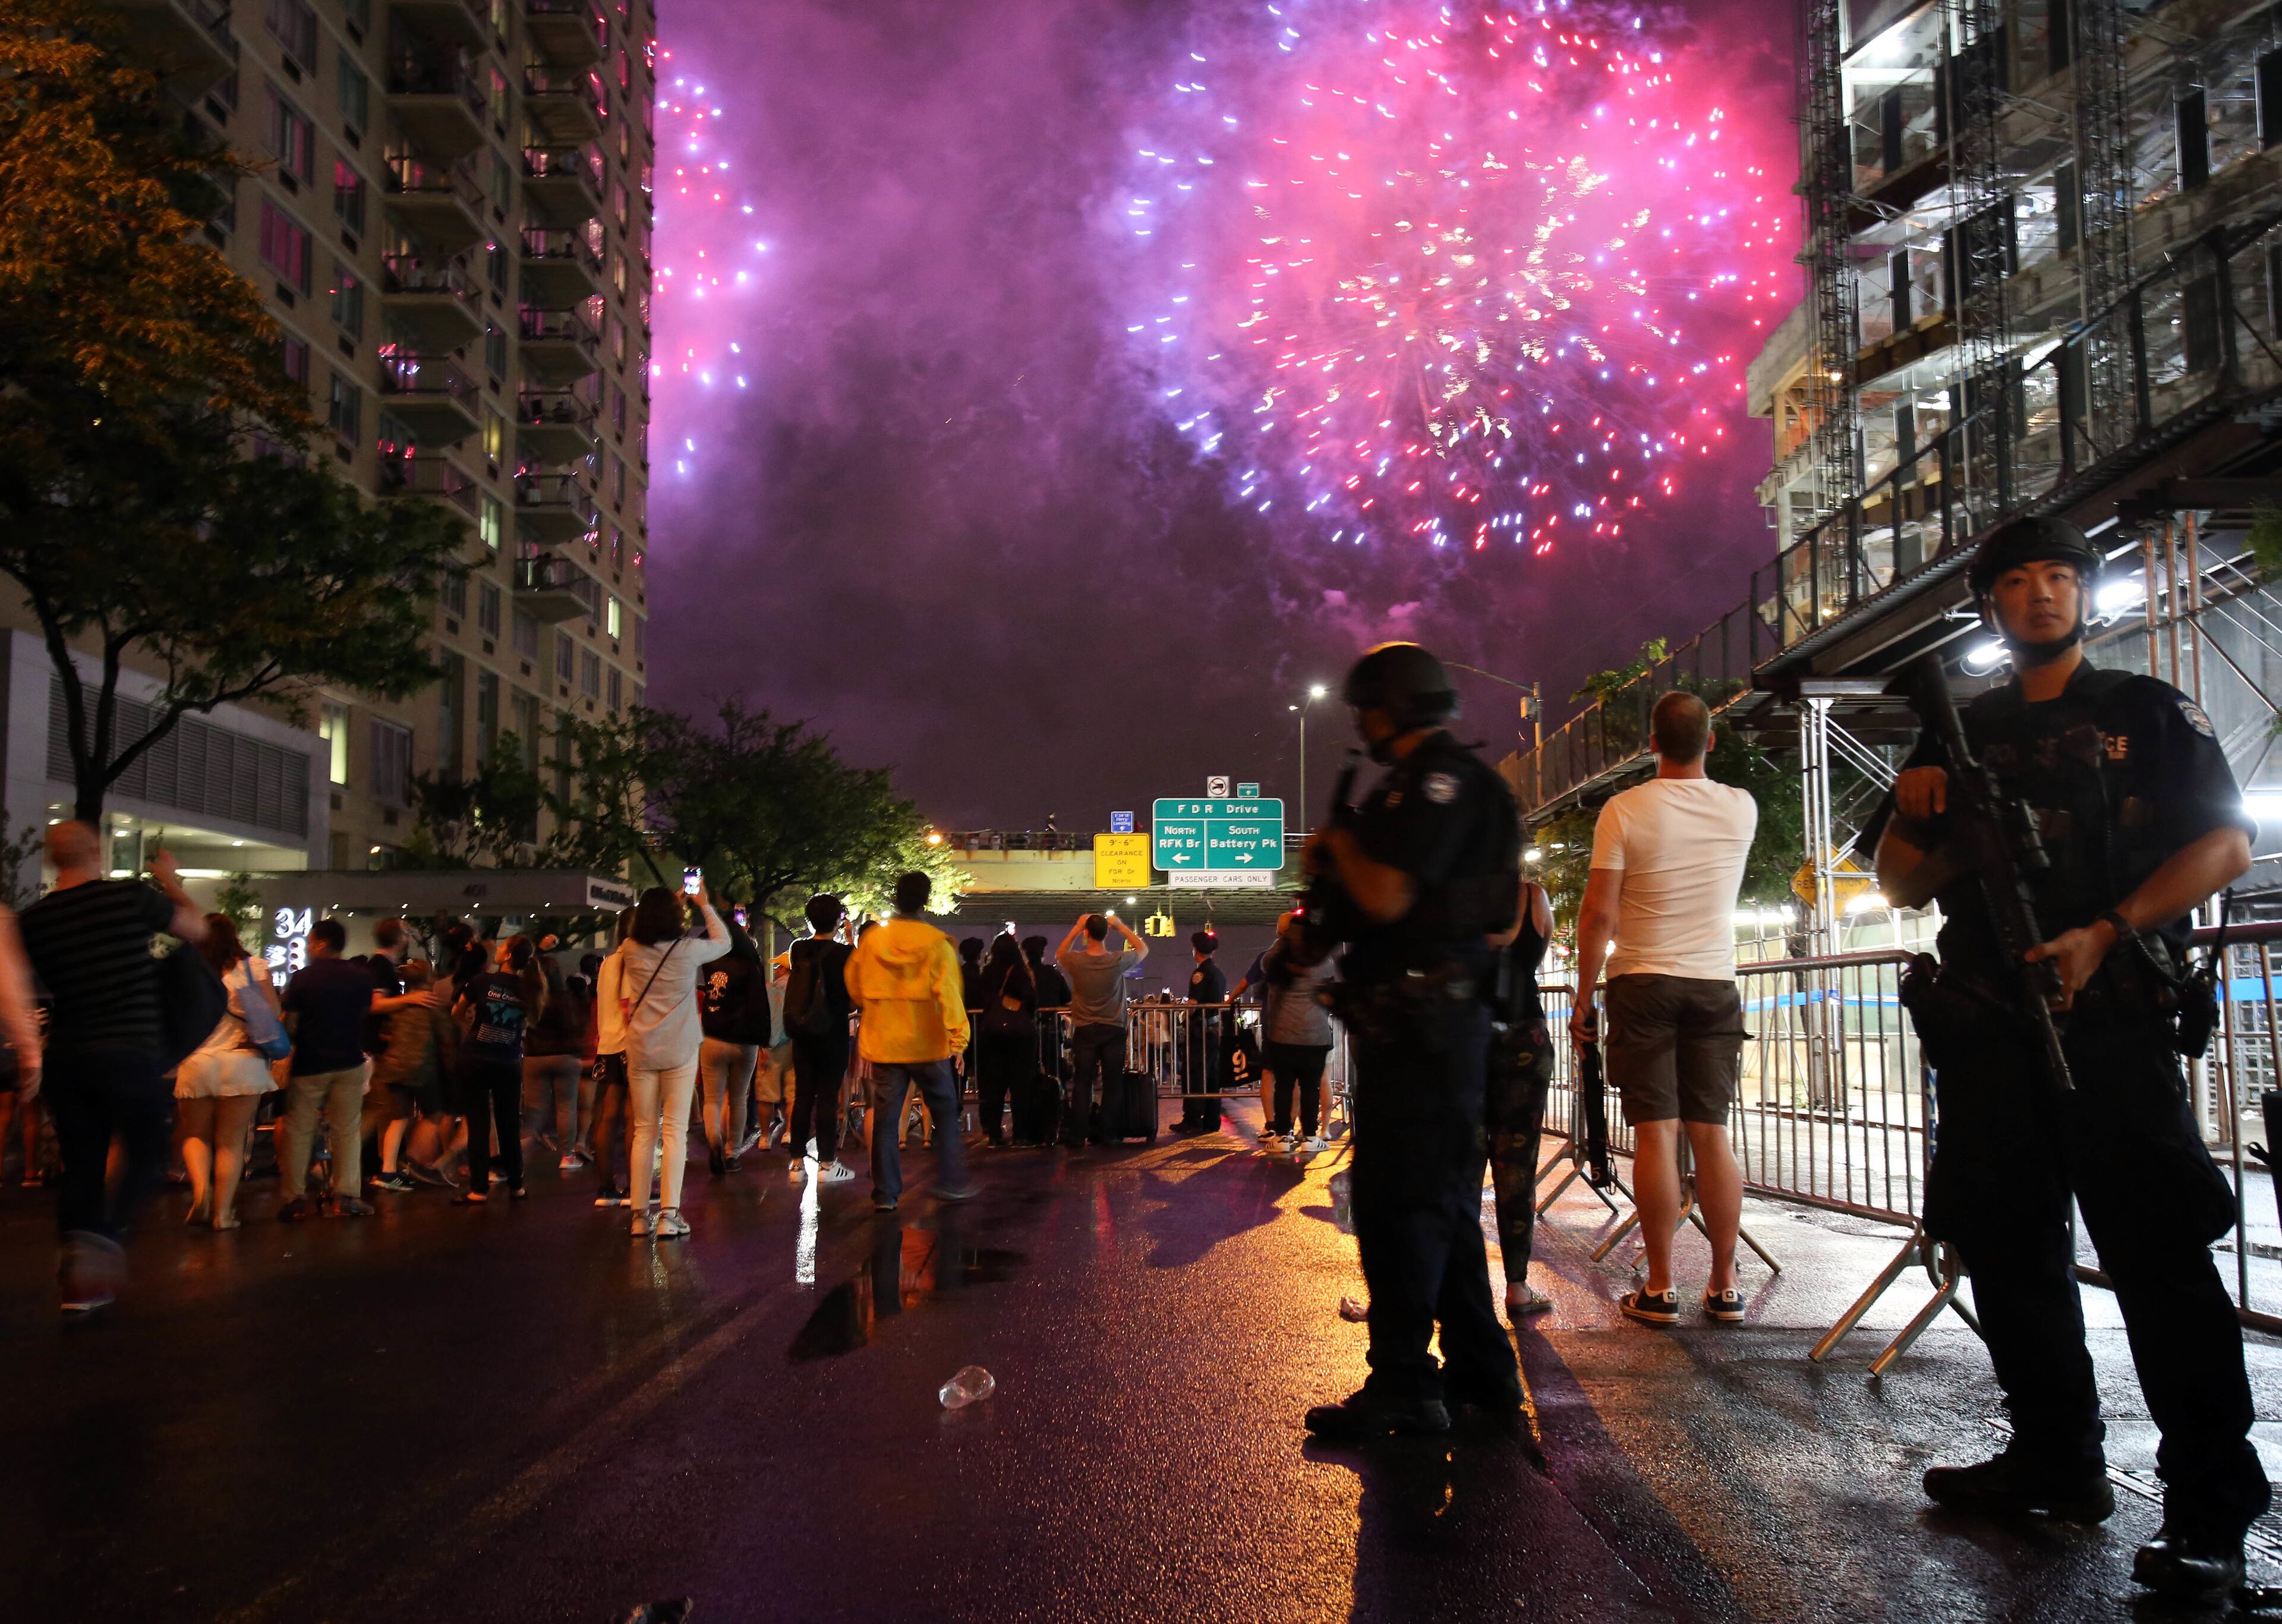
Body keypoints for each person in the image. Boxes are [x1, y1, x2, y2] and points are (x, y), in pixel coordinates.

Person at [1871, 515, 2267, 1603]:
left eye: (2059, 576)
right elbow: (1901, 885)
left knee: (2163, 1268)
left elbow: (2225, 843)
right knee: (2008, 1254)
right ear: (1989, 604)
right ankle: (2056, 1460)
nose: (2042, 593)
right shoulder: (1957, 729)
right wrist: (1912, 817)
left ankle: (2211, 1517)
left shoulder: (2144, 710)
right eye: (2017, 580)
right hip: (1994, 1027)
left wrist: (2108, 930)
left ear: (2082, 594)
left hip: (2117, 1023)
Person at [1298, 642, 1523, 1440]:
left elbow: (1390, 896)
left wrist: (1340, 849)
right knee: (1445, 1206)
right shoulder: (1428, 784)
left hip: (1431, 1025)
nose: (1359, 722)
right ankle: (1482, 1372)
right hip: (1428, 1024)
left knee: (1399, 1206)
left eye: (1365, 708)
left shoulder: (1440, 784)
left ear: (1386, 706)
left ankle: (1402, 1383)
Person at [1568, 690, 1756, 1328]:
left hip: (1643, 982)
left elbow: (1599, 915)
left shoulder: (1624, 811)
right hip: (1714, 982)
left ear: (1650, 744)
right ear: (1710, 741)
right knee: (1711, 1132)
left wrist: (1584, 993)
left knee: (1657, 1133)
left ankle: (1660, 1285)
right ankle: (1727, 1285)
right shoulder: (1742, 808)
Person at [16, 823, 191, 1310]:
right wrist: (171, 879)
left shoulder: (35, 920)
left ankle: (78, 1271)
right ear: (96, 850)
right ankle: (107, 1239)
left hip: (68, 1058)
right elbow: (196, 928)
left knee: (83, 1163)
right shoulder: (130, 898)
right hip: (130, 1050)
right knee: (148, 1149)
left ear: (52, 860)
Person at [844, 871, 973, 1212]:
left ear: (895, 897)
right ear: (927, 900)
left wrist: (874, 1005)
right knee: (945, 1111)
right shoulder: (936, 942)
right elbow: (948, 993)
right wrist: (959, 1038)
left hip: (884, 1042)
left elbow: (855, 985)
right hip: (927, 1044)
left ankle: (886, 1195)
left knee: (886, 1120)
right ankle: (950, 1181)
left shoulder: (872, 942)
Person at [622, 882, 732, 1237]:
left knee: (643, 1131)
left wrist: (668, 904)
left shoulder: (629, 950)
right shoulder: (687, 951)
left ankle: (639, 1216)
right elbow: (724, 942)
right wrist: (702, 903)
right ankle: (669, 1214)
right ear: (675, 917)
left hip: (641, 1047)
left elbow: (635, 932)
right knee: (674, 1131)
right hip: (680, 1049)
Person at [174, 915, 280, 1230]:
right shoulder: (252, 968)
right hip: (242, 1061)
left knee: (195, 1136)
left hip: (197, 1062)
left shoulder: (188, 971)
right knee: (231, 1143)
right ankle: (222, 1214)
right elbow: (273, 1013)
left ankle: (201, 1191)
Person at [278, 917, 382, 1221]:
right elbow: (363, 1015)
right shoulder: (361, 977)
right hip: (349, 1061)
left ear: (322, 943)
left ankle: (294, 1199)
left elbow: (291, 1024)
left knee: (300, 1131)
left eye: (310, 941)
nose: (308, 947)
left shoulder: (302, 979)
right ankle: (346, 1197)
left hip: (310, 1063)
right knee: (347, 1131)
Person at [1486, 875, 1557, 1317]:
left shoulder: (1455, 893)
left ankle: (1461, 1288)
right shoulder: (1534, 898)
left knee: (1461, 1166)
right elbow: (1532, 955)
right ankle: (1517, 1287)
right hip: (1525, 1038)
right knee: (1517, 1166)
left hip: (1467, 1037)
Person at [451, 936, 546, 1204]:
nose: (499, 949)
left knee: (479, 1124)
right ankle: (517, 1186)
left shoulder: (481, 982)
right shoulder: (529, 988)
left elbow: (457, 1012)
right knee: (508, 1124)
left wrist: (472, 1026)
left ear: (507, 956)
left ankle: (478, 1189)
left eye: (503, 946)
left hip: (476, 1058)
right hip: (509, 1061)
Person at [783, 893, 858, 1187]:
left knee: (803, 1096)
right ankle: (827, 1163)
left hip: (803, 1034)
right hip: (833, 1034)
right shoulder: (844, 954)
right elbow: (851, 997)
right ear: (839, 919)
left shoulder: (797, 949)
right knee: (827, 1098)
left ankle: (796, 1163)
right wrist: (851, 938)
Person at [1055, 912, 1148, 1147]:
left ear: (1087, 934)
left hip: (1085, 1029)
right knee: (1112, 1083)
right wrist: (1121, 926)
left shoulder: (1076, 961)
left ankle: (1078, 1136)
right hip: (1113, 1028)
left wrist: (1076, 927)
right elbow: (1143, 949)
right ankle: (1109, 1134)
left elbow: (1059, 954)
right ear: (1107, 933)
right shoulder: (1117, 960)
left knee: (1083, 1082)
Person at [366, 959, 456, 1193]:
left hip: (392, 1067)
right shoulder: (433, 1006)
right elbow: (447, 1041)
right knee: (434, 1113)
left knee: (399, 1118)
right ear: (430, 979)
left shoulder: (397, 1005)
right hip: (421, 1069)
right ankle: (413, 1160)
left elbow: (385, 1032)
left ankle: (388, 1172)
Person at [698, 917, 771, 1175]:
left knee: (713, 1099)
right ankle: (733, 1154)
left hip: (713, 1038)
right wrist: (764, 1040)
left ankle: (714, 1142)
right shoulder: (751, 966)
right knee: (739, 1099)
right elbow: (759, 1005)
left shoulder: (710, 964)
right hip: (744, 1041)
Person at [1260, 910, 1337, 1155]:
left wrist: (1283, 938)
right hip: (1315, 1036)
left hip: (1282, 1036)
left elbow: (1267, 963)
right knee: (1311, 1087)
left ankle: (1283, 1137)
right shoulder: (1323, 962)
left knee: (1284, 1087)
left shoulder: (1274, 960)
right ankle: (1311, 1138)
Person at [524, 948, 587, 1168]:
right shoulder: (564, 999)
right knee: (566, 1107)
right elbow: (575, 1028)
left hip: (534, 1058)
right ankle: (567, 1156)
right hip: (564, 1057)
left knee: (533, 1110)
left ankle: (518, 1155)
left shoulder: (528, 1000)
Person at [973, 934, 1038, 1147]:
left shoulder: (987, 973)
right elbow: (1031, 999)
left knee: (995, 1085)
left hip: (992, 1034)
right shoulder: (1020, 972)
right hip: (1020, 1036)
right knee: (1021, 1085)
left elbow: (978, 999)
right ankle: (1020, 1135)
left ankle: (995, 1135)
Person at [589, 911, 635, 1207]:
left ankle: (605, 1188)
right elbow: (629, 1007)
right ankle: (635, 1187)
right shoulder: (635, 962)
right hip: (631, 1047)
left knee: (607, 1116)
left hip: (607, 1046)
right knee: (636, 1118)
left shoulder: (607, 964)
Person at [1170, 931, 1228, 1136]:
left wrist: (1181, 1014)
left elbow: (1193, 1004)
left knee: (1194, 1075)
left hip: (1199, 1032)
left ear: (1196, 951)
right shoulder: (1219, 972)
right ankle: (1212, 1119)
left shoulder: (1200, 974)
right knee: (1212, 1076)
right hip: (1213, 1030)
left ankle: (1192, 1119)